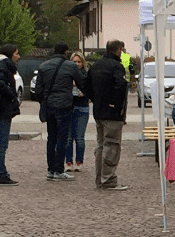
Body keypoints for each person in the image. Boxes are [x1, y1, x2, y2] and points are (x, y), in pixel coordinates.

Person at [36, 43, 88, 181]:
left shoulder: (43, 66)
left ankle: (50, 169)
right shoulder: (70, 66)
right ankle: (59, 170)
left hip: (49, 105)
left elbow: (38, 90)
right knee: (62, 138)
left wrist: (44, 101)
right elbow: (82, 83)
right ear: (66, 52)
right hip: (64, 105)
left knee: (51, 138)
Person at [84, 40, 130, 190]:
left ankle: (100, 178)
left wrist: (95, 99)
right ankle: (108, 179)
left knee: (101, 145)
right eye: (122, 50)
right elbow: (121, 86)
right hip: (112, 113)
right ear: (118, 50)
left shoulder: (96, 65)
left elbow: (86, 85)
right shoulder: (117, 66)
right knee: (112, 145)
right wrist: (116, 104)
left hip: (98, 111)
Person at [0, 45, 22, 186]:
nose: (18, 56)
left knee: (1, 142)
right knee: (2, 143)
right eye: (16, 53)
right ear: (10, 54)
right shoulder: (2, 66)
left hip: (1, 107)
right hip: (3, 108)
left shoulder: (1, 65)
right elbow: (0, 84)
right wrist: (12, 97)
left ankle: (1, 172)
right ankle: (1, 173)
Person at [67, 52, 90, 171]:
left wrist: (84, 92)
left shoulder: (86, 75)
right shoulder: (67, 74)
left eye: (79, 62)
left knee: (79, 137)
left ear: (82, 63)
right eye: (74, 61)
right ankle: (68, 162)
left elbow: (90, 90)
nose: (76, 64)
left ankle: (79, 162)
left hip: (82, 106)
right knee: (68, 138)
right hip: (69, 107)